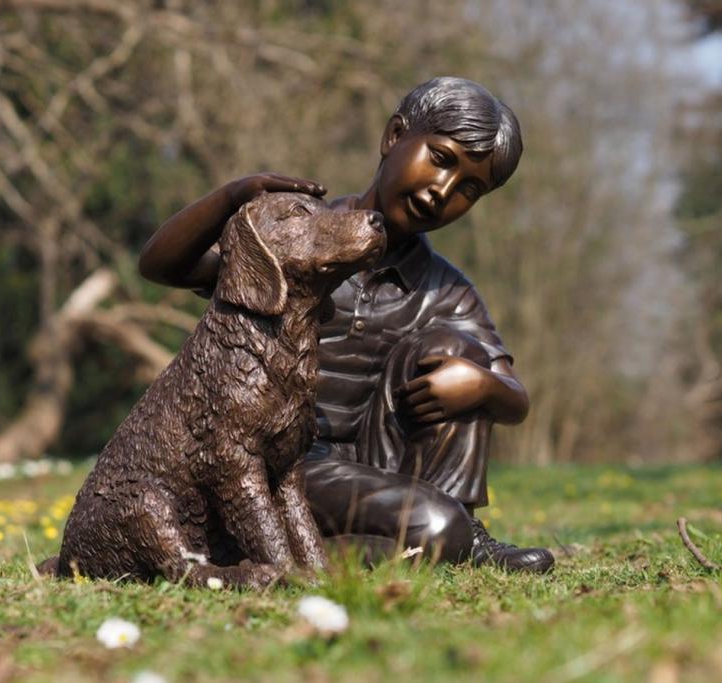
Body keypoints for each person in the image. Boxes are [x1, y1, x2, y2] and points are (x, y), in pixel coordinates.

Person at [138, 77, 554, 573]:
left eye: (470, 188)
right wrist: (230, 198)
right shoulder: (302, 239)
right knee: (436, 528)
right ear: (394, 136)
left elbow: (516, 397)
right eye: (440, 159)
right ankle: (427, 541)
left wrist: (481, 384)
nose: (442, 191)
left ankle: (453, 530)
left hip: (377, 469)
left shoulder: (445, 290)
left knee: (456, 347)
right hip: (282, 466)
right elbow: (161, 265)